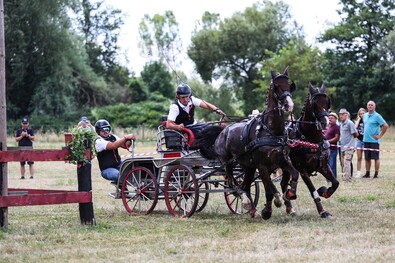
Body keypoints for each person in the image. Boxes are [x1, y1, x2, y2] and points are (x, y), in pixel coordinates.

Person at [94, 119, 136, 186]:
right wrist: (125, 137)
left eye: (107, 129)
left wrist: (131, 139)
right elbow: (113, 146)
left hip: (118, 164)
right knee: (118, 175)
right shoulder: (98, 141)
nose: (105, 131)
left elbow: (125, 146)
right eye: (102, 130)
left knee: (134, 167)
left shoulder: (113, 137)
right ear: (98, 131)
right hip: (106, 169)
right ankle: (121, 187)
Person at [362, 101, 388, 178]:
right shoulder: (365, 115)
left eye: (371, 105)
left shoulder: (377, 116)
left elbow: (385, 125)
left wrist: (380, 135)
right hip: (365, 140)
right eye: (369, 105)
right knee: (367, 158)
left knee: (376, 158)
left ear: (374, 107)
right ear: (367, 106)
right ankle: (367, 173)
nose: (370, 106)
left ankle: (376, 174)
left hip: (374, 141)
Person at [339, 109, 358, 182]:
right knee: (343, 163)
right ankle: (345, 177)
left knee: (347, 163)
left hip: (349, 147)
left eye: (342, 114)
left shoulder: (350, 123)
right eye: (340, 114)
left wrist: (352, 145)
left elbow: (355, 134)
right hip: (342, 147)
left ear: (346, 115)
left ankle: (347, 179)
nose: (341, 116)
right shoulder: (341, 124)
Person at [324, 112, 340, 179]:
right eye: (329, 118)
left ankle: (333, 178)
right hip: (326, 149)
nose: (330, 119)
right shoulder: (327, 127)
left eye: (332, 118)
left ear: (336, 119)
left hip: (333, 149)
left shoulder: (336, 127)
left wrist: (328, 142)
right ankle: (328, 178)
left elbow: (337, 138)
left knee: (332, 164)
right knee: (327, 165)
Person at [354, 107, 366, 178]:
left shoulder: (367, 120)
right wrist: (358, 119)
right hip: (359, 140)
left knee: (367, 157)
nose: (362, 115)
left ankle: (367, 171)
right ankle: (358, 172)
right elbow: (355, 127)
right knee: (359, 157)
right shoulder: (358, 121)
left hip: (366, 140)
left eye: (363, 113)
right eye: (360, 114)